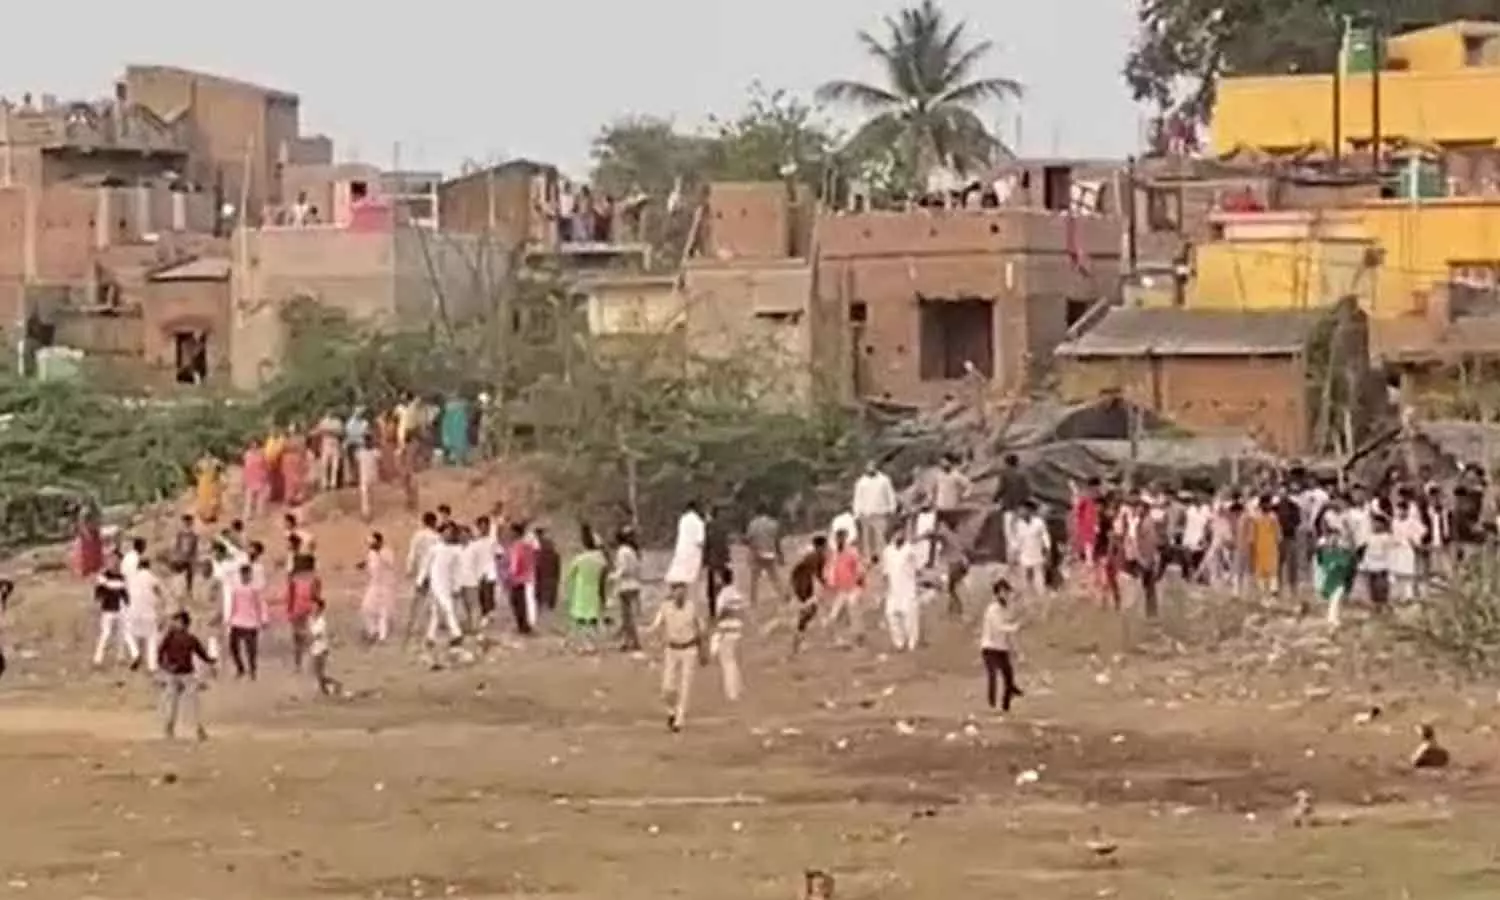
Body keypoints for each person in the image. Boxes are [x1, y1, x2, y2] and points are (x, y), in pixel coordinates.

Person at [646, 585, 703, 732]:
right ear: (672, 592)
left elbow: (700, 629)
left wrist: (703, 651)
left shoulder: (692, 607)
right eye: (677, 590)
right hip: (672, 649)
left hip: (689, 648)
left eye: (682, 590)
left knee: (685, 684)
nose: (680, 594)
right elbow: (656, 625)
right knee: (668, 686)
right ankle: (671, 711)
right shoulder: (665, 608)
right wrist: (651, 636)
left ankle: (680, 718)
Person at [158, 610, 215, 741]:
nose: (173, 623)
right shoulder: (186, 638)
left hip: (179, 674)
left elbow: (160, 654)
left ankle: (175, 728)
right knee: (189, 702)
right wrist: (211, 661)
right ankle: (196, 729)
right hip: (183, 674)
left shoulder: (173, 638)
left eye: (176, 621)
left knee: (175, 702)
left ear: (182, 623)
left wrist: (165, 666)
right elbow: (202, 654)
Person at [979, 580, 1023, 712]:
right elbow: (998, 628)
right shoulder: (993, 609)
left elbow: (1006, 634)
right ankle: (992, 705)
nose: (1006, 595)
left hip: (1002, 647)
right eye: (1003, 592)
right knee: (993, 676)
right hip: (990, 647)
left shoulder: (1005, 610)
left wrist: (1015, 650)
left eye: (1007, 592)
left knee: (1008, 676)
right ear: (997, 593)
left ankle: (1005, 706)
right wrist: (1014, 627)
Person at [881, 528, 921, 652]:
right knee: (891, 616)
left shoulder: (910, 550)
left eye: (901, 532)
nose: (899, 535)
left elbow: (917, 568)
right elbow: (885, 572)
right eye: (897, 533)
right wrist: (885, 589)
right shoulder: (888, 551)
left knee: (909, 618)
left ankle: (912, 643)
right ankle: (899, 643)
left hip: (908, 588)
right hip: (893, 589)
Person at [425, 524, 465, 647]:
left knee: (443, 609)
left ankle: (434, 636)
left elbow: (458, 570)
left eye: (450, 533)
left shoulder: (457, 550)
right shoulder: (434, 549)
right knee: (440, 609)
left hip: (447, 583)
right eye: (446, 532)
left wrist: (457, 586)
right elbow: (426, 565)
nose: (448, 535)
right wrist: (421, 580)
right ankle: (452, 633)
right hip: (435, 582)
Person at [788, 536, 829, 655]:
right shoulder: (815, 556)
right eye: (825, 546)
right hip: (802, 583)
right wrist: (825, 584)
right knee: (810, 609)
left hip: (803, 582)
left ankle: (799, 636)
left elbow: (819, 574)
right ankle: (798, 638)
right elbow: (817, 574)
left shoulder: (817, 556)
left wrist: (824, 583)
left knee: (810, 610)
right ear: (821, 546)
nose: (826, 548)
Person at [225, 565, 267, 679]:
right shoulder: (236, 588)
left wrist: (263, 619)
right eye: (243, 574)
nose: (245, 576)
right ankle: (240, 668)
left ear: (250, 575)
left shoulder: (255, 589)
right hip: (237, 621)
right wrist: (229, 618)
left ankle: (252, 670)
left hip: (251, 622)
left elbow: (260, 604)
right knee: (233, 646)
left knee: (251, 649)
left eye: (247, 574)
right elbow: (233, 604)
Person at [564, 525, 608, 633]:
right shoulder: (600, 559)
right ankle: (592, 634)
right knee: (592, 612)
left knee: (581, 613)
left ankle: (583, 636)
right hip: (594, 588)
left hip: (581, 589)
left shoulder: (580, 558)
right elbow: (604, 572)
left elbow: (570, 574)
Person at [822, 529, 865, 642]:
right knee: (834, 615)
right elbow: (828, 570)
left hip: (852, 588)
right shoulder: (834, 554)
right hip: (841, 590)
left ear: (845, 539)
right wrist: (828, 583)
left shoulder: (852, 552)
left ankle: (859, 635)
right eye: (838, 538)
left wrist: (859, 584)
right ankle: (837, 637)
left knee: (853, 608)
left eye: (842, 538)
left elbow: (860, 568)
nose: (839, 540)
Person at [125, 557, 165, 673]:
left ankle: (135, 653)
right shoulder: (152, 578)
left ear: (138, 566)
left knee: (128, 633)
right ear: (149, 566)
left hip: (134, 612)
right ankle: (152, 666)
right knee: (151, 638)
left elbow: (128, 594)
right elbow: (160, 593)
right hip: (149, 612)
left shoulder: (132, 578)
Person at [710, 566, 745, 702]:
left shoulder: (722, 595)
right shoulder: (737, 593)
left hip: (726, 630)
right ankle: (739, 688)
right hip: (737, 629)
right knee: (734, 660)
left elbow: (719, 614)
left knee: (727, 662)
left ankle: (732, 692)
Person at [852, 462, 897, 562]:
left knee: (880, 538)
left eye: (873, 466)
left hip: (880, 514)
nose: (871, 469)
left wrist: (892, 509)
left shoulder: (884, 480)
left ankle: (882, 559)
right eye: (869, 467)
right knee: (867, 540)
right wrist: (856, 514)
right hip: (866, 515)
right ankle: (869, 559)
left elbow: (890, 495)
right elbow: (857, 499)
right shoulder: (861, 482)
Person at [285, 552, 322, 672]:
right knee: (309, 637)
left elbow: (290, 597)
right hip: (308, 610)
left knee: (298, 639)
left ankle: (299, 664)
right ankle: (306, 663)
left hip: (298, 610)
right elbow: (316, 596)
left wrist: (289, 611)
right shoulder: (314, 580)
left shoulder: (294, 580)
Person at [359, 531, 397, 643]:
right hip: (374, 584)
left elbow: (390, 563)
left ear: (379, 542)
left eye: (373, 543)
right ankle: (373, 631)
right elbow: (370, 562)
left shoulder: (387, 552)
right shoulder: (371, 553)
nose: (371, 545)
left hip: (386, 585)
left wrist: (379, 552)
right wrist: (363, 564)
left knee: (383, 611)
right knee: (366, 608)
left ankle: (382, 636)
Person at [92, 558, 131, 668]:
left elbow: (124, 592)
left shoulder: (119, 577)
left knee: (120, 634)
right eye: (113, 564)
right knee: (106, 634)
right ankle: (98, 658)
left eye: (116, 564)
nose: (115, 566)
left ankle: (120, 657)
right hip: (108, 610)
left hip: (119, 609)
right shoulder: (104, 577)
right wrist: (98, 600)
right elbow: (98, 592)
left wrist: (127, 602)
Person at [743, 506, 785, 607]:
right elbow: (777, 541)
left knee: (754, 580)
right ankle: (782, 596)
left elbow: (748, 539)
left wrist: (749, 545)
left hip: (757, 554)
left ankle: (753, 602)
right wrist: (780, 555)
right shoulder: (773, 523)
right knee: (774, 577)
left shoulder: (753, 524)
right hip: (770, 554)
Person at [664, 500, 706, 595]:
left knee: (677, 574)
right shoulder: (699, 522)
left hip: (681, 550)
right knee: (689, 579)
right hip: (693, 553)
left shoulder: (683, 519)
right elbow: (700, 540)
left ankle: (674, 593)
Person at [612, 527, 644, 651]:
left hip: (625, 585)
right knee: (631, 616)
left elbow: (623, 569)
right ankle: (633, 641)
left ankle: (628, 641)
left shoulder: (622, 551)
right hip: (635, 584)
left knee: (627, 617)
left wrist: (614, 576)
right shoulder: (633, 551)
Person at [1011, 502, 1051, 596]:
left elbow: (1045, 536)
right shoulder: (1018, 525)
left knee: (1039, 575)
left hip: (1037, 551)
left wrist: (1047, 549)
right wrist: (1014, 553)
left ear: (1029, 511)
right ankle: (1028, 594)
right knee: (1026, 575)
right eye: (1020, 510)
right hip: (1024, 553)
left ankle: (1041, 593)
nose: (1022, 512)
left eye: (1024, 510)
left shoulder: (1038, 522)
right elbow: (1017, 540)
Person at [506, 522, 537, 635]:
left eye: (511, 531)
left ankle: (524, 625)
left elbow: (514, 564)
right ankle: (526, 625)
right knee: (526, 602)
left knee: (519, 603)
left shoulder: (517, 546)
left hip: (518, 579)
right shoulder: (528, 545)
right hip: (528, 577)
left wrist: (510, 575)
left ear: (515, 533)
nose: (509, 534)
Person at [308, 597, 342, 696]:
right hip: (314, 649)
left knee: (319, 673)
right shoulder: (312, 620)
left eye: (315, 607)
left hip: (321, 649)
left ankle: (335, 684)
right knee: (317, 673)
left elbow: (317, 635)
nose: (313, 608)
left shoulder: (321, 621)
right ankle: (326, 691)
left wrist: (309, 638)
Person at [166, 515, 199, 602]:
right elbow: (176, 546)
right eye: (185, 522)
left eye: (189, 522)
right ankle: (175, 592)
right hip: (180, 558)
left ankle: (189, 592)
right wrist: (176, 556)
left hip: (189, 559)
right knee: (177, 575)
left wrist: (194, 559)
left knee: (189, 576)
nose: (187, 524)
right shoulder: (180, 534)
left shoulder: (194, 535)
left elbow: (195, 549)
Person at [241, 440, 269, 522]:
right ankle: (248, 514)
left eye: (255, 446)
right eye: (252, 446)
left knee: (260, 497)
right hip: (250, 478)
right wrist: (244, 479)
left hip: (259, 477)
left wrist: (265, 476)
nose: (254, 447)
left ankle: (259, 513)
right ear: (249, 447)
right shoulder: (247, 455)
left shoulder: (261, 454)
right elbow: (245, 467)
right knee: (249, 498)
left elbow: (265, 466)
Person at [355, 433, 381, 521]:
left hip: (370, 477)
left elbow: (380, 463)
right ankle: (366, 514)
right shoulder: (371, 452)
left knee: (369, 496)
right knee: (366, 496)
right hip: (366, 476)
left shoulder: (373, 452)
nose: (367, 443)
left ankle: (368, 513)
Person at [194, 454, 223, 524]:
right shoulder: (201, 462)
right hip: (204, 482)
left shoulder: (215, 461)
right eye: (206, 454)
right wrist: (198, 477)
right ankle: (205, 517)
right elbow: (195, 469)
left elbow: (221, 467)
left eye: (209, 454)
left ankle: (213, 516)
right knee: (204, 499)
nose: (208, 455)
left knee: (214, 498)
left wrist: (217, 475)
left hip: (213, 482)